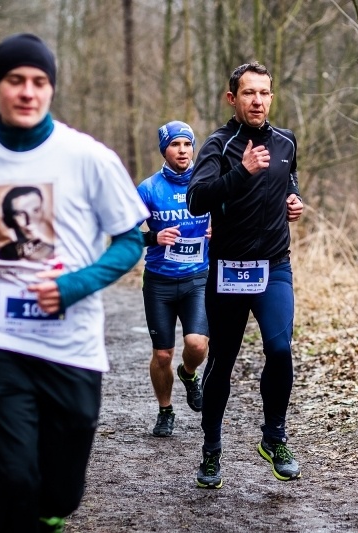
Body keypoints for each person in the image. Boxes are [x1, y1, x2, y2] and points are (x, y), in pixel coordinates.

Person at [0, 33, 149, 533]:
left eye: (39, 82)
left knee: (62, 492)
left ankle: (51, 514)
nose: (27, 92)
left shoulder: (89, 158)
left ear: (51, 90)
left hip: (72, 341)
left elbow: (131, 239)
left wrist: (74, 286)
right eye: (15, 80)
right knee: (17, 478)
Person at [187, 62, 304, 489]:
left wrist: (295, 201)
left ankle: (274, 438)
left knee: (280, 349)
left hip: (274, 265)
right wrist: (242, 173)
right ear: (232, 98)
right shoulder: (219, 145)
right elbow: (197, 200)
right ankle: (212, 450)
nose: (258, 101)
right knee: (222, 363)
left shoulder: (286, 140)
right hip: (229, 269)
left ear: (272, 97)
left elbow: (289, 181)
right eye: (249, 93)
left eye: (265, 93)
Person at [137, 120, 210, 437]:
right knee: (162, 354)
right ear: (164, 150)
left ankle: (189, 373)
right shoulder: (148, 189)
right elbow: (124, 234)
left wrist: (219, 229)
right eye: (175, 145)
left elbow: (232, 213)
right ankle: (165, 411)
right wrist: (154, 237)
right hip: (160, 282)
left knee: (196, 344)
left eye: (187, 144)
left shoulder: (207, 182)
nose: (182, 150)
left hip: (198, 278)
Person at [0, 185, 56, 261]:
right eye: (21, 214)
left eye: (36, 211)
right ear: (7, 219)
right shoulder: (3, 254)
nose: (30, 221)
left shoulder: (55, 251)